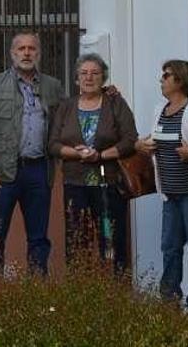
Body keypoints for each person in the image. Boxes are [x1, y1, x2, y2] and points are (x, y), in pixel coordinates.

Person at [0, 32, 64, 280]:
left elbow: (67, 119)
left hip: (38, 171)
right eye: (21, 48)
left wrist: (106, 93)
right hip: (2, 173)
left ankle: (36, 295)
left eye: (32, 48)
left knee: (39, 237)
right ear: (12, 54)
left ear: (39, 53)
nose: (26, 53)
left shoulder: (52, 86)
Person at [48, 53, 138, 272]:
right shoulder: (66, 106)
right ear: (77, 78)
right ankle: (81, 290)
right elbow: (53, 144)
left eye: (95, 73)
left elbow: (130, 139)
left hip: (108, 185)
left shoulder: (115, 103)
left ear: (103, 78)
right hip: (75, 184)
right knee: (77, 239)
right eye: (84, 73)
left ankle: (115, 290)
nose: (89, 77)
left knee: (111, 240)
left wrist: (100, 155)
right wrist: (77, 154)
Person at [136, 60, 188, 311]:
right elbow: (149, 140)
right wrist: (139, 145)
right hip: (169, 192)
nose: (161, 79)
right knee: (170, 246)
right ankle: (169, 298)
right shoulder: (160, 109)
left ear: (181, 80)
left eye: (167, 75)